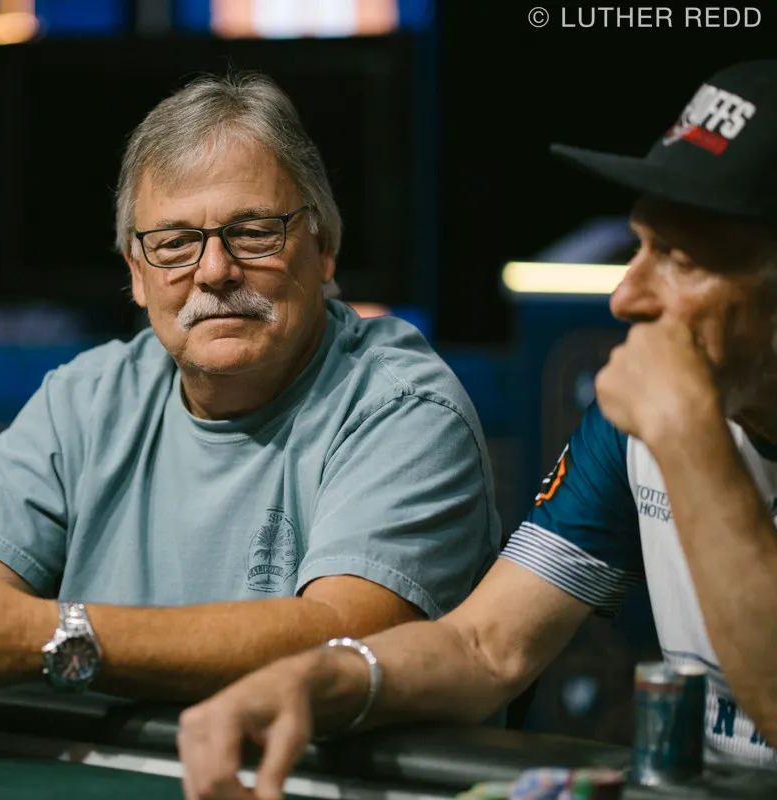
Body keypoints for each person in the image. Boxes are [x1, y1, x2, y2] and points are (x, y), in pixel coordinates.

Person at [176, 59, 777, 798]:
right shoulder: (637, 429)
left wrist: (691, 440)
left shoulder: (673, 421)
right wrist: (322, 679)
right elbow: (487, 646)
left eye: (680, 260)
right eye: (639, 248)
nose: (627, 296)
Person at [0, 72, 501, 700]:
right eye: (176, 243)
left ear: (323, 249)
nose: (214, 270)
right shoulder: (83, 401)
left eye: (253, 232)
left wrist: (53, 635)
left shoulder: (404, 409)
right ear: (136, 272)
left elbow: (346, 640)